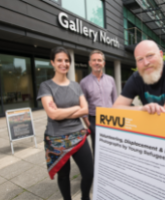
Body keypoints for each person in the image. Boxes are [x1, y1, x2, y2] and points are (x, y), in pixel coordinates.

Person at [37, 46, 93, 200]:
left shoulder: (76, 85)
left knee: (89, 173)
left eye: (67, 60)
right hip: (57, 139)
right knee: (63, 176)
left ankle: (85, 198)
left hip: (78, 135)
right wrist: (76, 107)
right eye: (59, 60)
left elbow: (86, 110)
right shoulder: (46, 86)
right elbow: (53, 114)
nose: (64, 63)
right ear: (52, 63)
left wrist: (64, 112)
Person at [113, 40, 165, 115]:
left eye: (150, 55)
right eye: (140, 59)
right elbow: (115, 108)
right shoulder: (136, 78)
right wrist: (141, 109)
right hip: (155, 129)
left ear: (161, 55)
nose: (146, 63)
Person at [80, 50, 118, 155]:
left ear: (103, 63)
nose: (97, 62)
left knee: (113, 146)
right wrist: (88, 124)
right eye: (94, 60)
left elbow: (115, 100)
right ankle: (98, 170)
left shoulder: (111, 80)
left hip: (111, 119)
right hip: (94, 119)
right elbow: (82, 105)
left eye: (99, 60)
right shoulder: (84, 82)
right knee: (97, 149)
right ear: (90, 63)